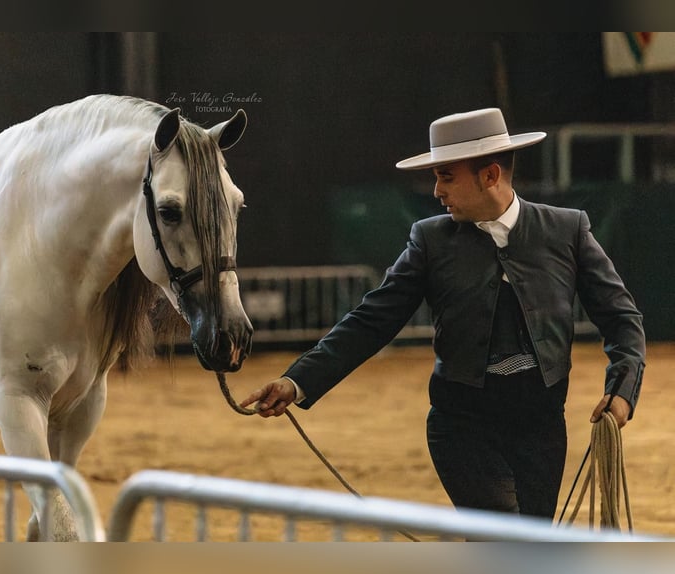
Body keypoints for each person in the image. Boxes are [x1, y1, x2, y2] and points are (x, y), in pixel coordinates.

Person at [239, 107, 646, 520]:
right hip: (462, 429)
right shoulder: (430, 240)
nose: (436, 191)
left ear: (489, 175)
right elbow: (372, 319)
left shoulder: (567, 229)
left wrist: (623, 389)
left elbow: (621, 317)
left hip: (541, 432)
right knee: (502, 535)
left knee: (529, 547)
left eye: (446, 176)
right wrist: (298, 380)